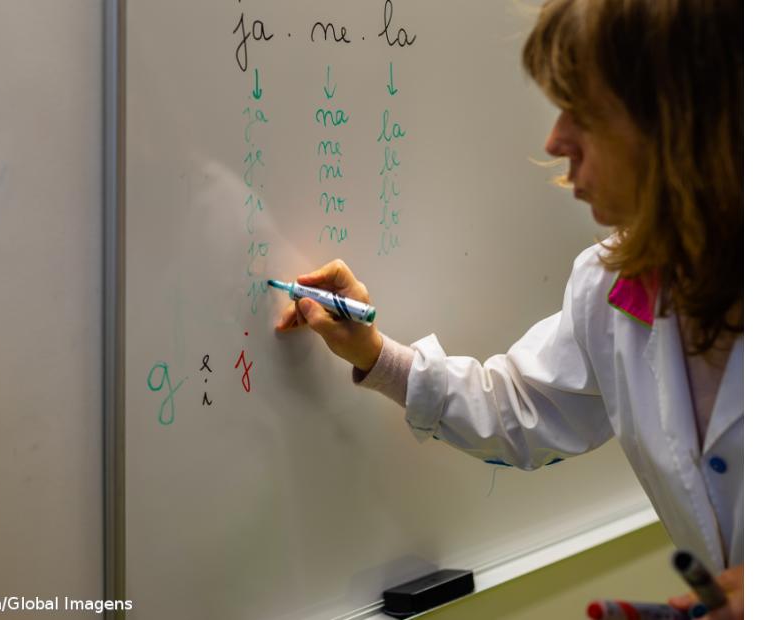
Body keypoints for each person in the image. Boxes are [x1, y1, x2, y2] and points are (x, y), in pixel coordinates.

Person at [275, 0, 743, 618]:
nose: (555, 140)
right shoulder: (613, 285)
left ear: (681, 119)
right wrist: (374, 354)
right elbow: (521, 406)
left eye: (587, 111)